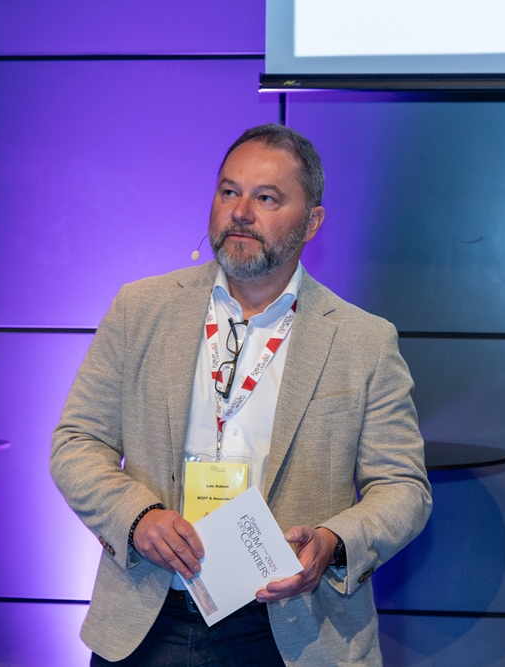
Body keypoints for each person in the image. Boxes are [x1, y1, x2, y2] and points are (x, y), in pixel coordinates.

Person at [51, 123, 431, 666]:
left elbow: (403, 488)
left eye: (267, 198)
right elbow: (76, 442)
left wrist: (333, 542)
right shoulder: (140, 310)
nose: (241, 212)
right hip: (149, 618)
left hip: (290, 630)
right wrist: (137, 518)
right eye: (229, 191)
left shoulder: (362, 341)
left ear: (312, 222)